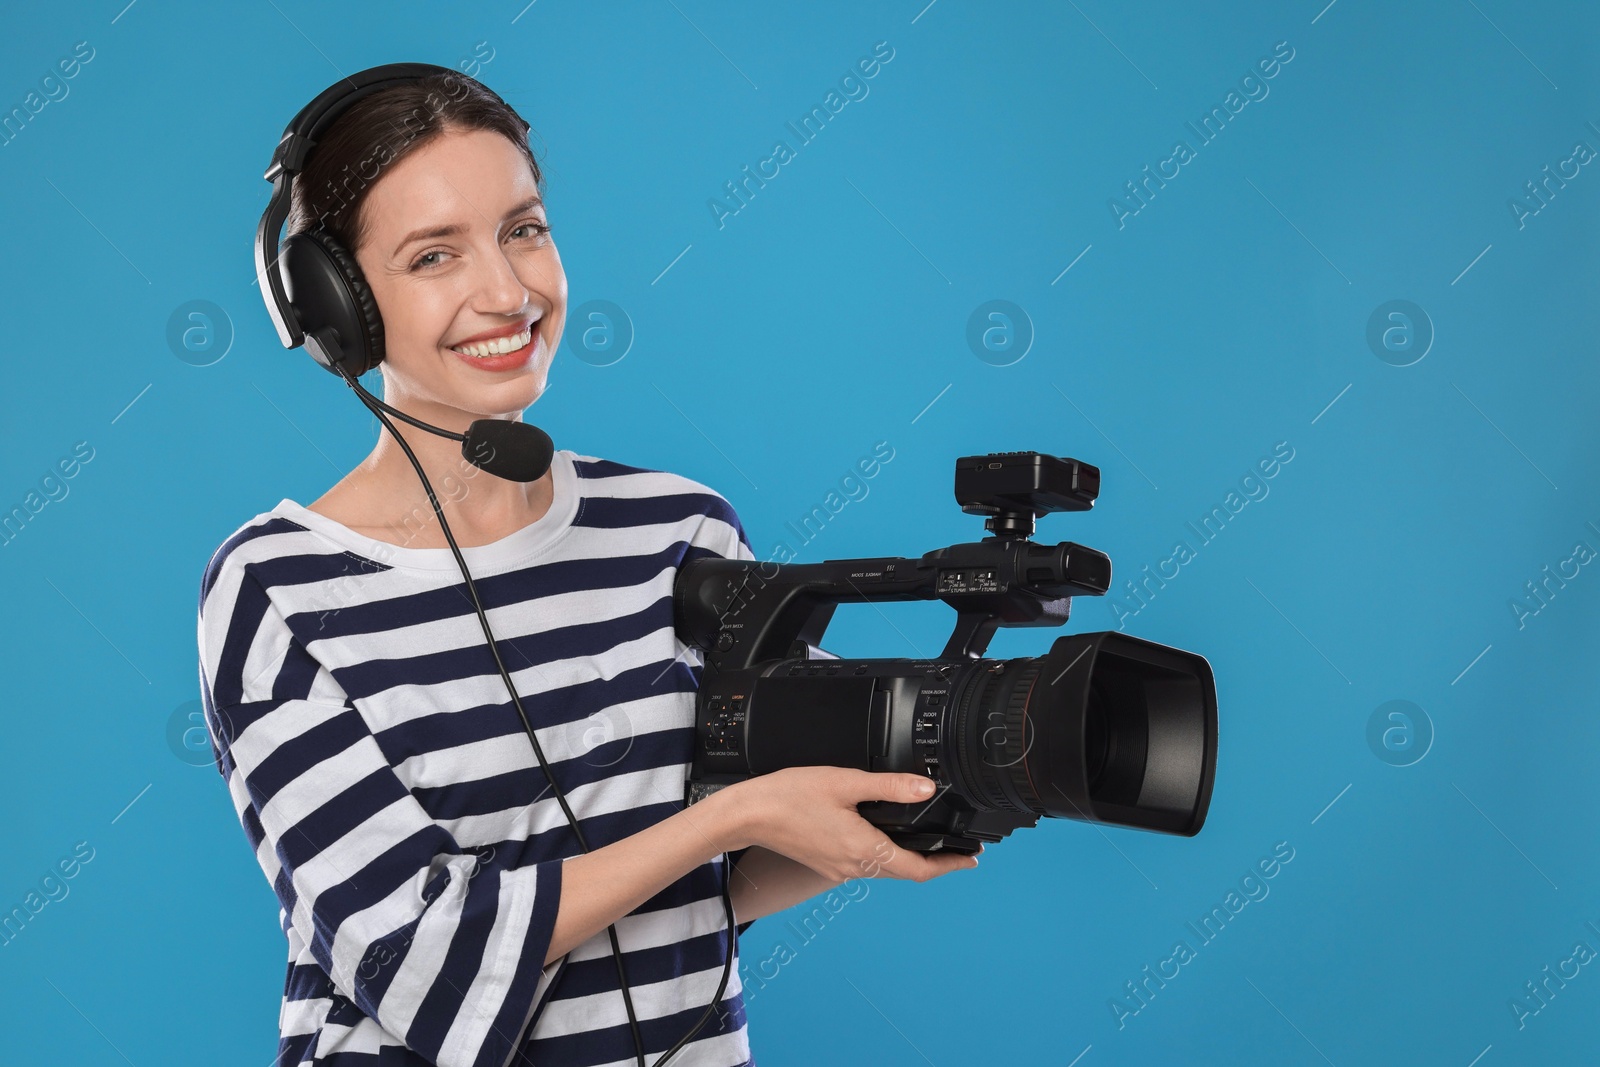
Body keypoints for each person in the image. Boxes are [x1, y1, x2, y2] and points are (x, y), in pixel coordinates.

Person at [195, 70, 978, 1067]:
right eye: (434, 254)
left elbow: (706, 895)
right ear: (336, 307)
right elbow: (416, 960)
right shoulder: (279, 590)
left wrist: (921, 797)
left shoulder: (680, 532)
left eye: (523, 229)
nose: (508, 292)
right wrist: (728, 816)